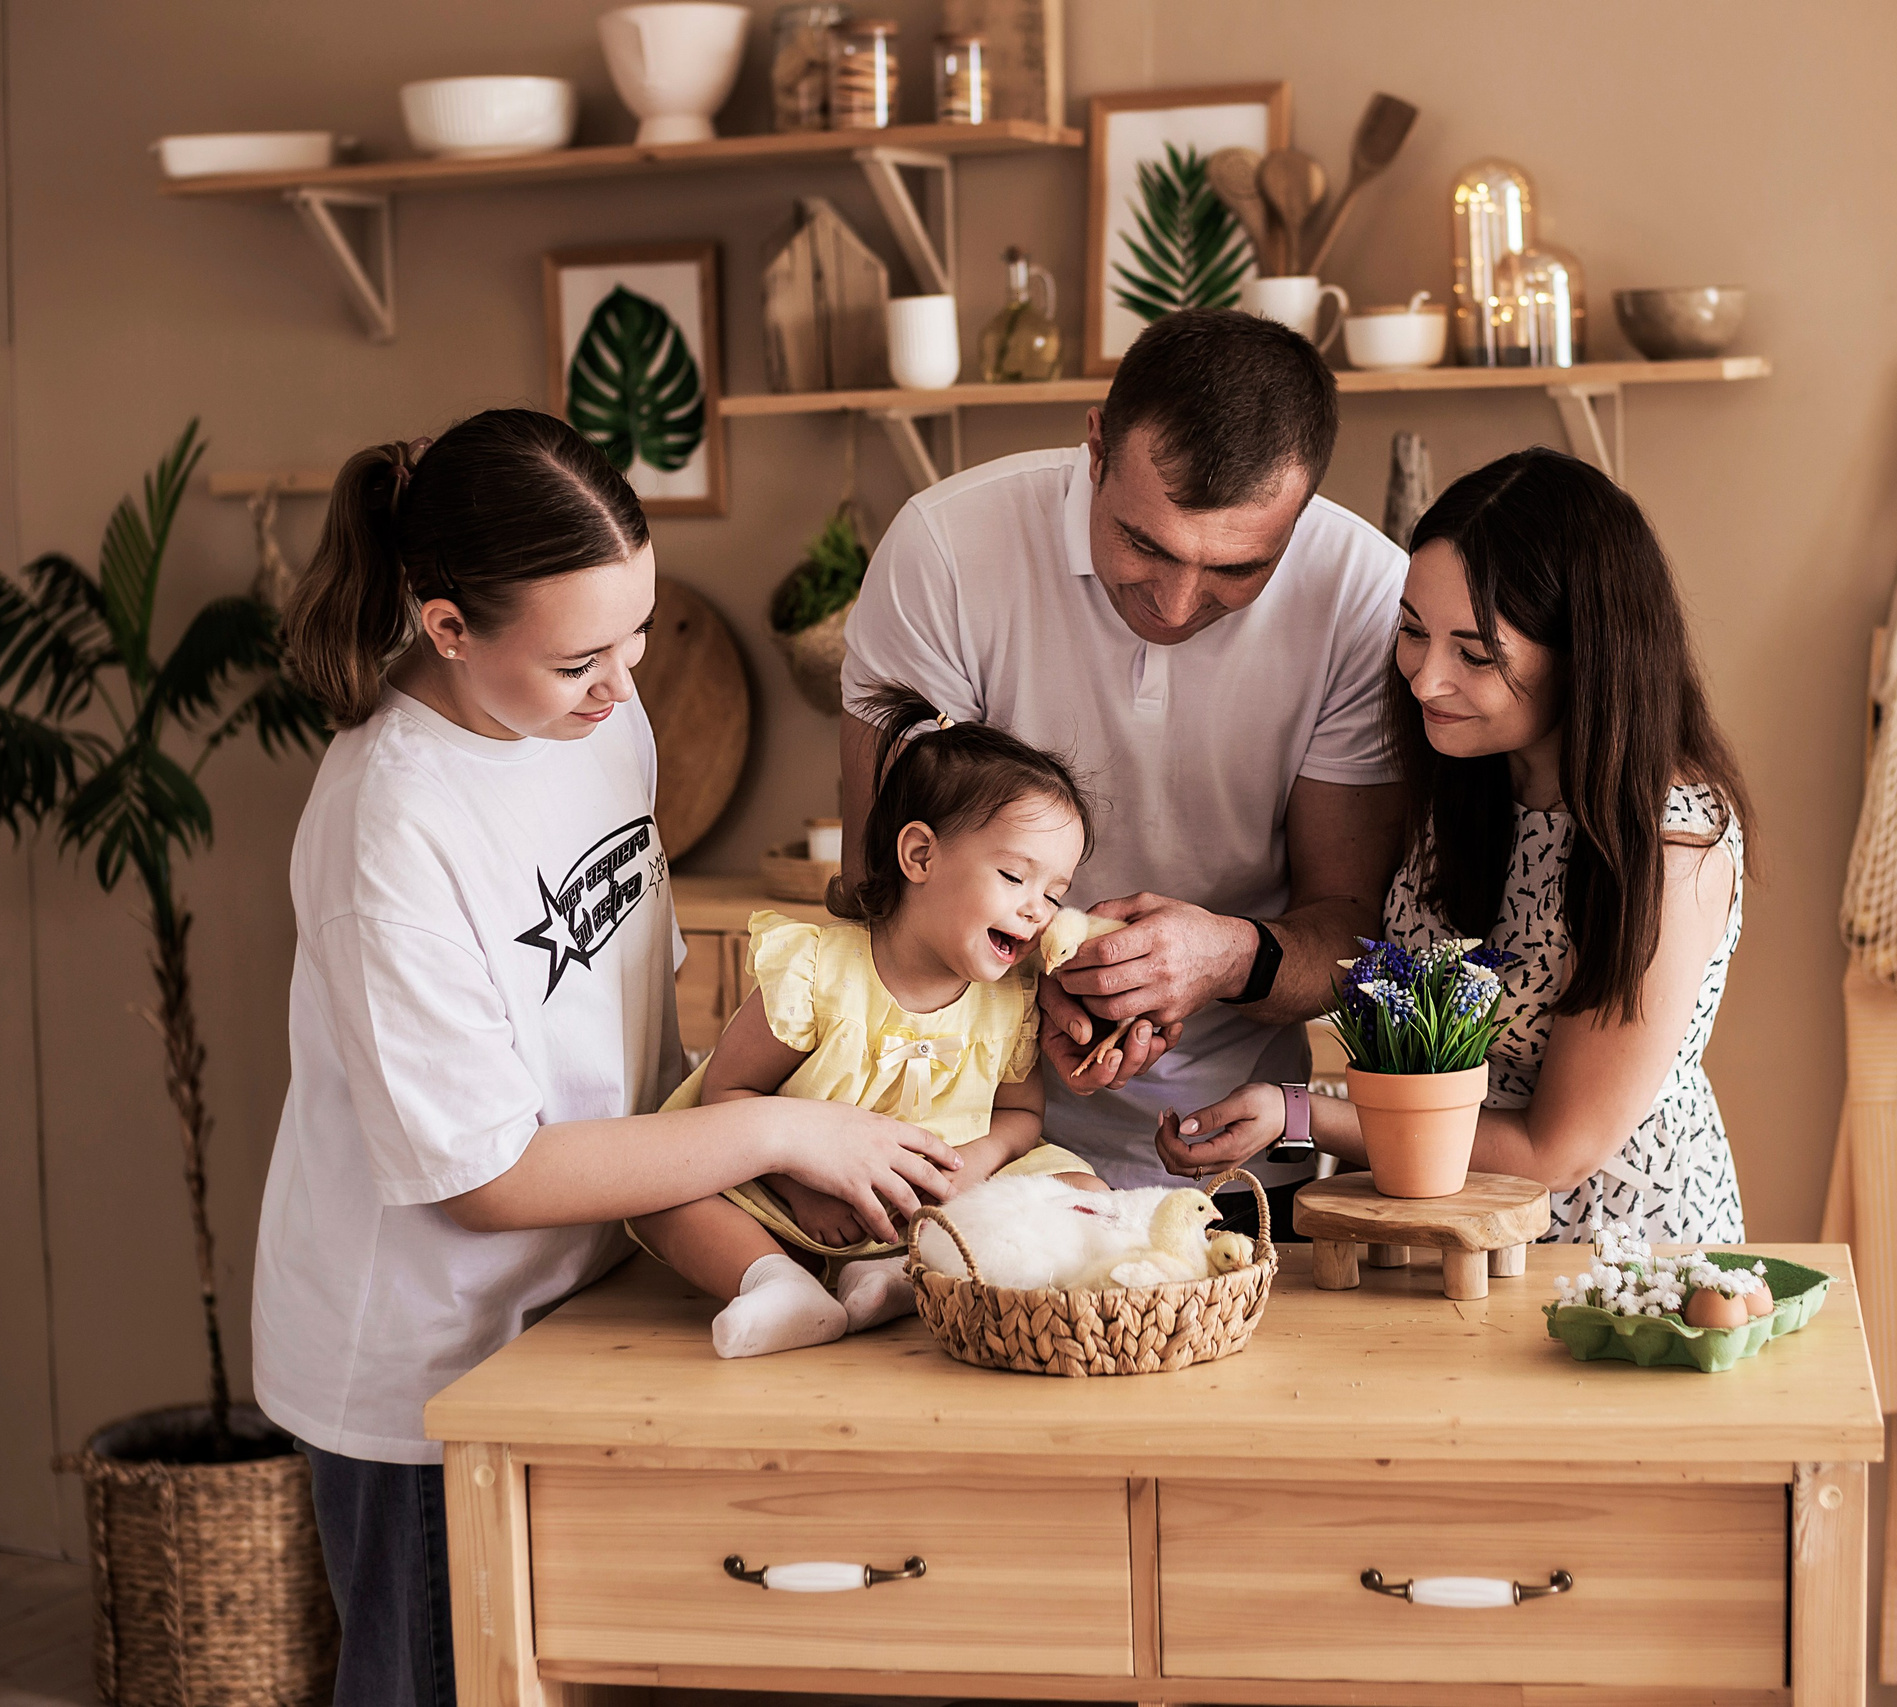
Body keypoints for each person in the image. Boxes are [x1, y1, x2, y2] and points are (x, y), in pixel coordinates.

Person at [252, 410, 964, 1707]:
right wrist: (778, 1136)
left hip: (584, 1297)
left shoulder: (600, 722)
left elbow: (619, 1025)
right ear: (448, 625)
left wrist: (772, 1113)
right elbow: (486, 1177)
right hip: (429, 1358)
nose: (626, 681)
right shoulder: (390, 825)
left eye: (637, 631)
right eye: (583, 653)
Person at [837, 309, 1409, 1214]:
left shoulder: (1365, 593)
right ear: (1095, 447)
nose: (1178, 604)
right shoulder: (947, 551)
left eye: (1238, 569)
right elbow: (880, 879)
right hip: (955, 1149)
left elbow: (1357, 935)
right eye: (1144, 544)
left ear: (1301, 521)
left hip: (1241, 1170)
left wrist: (1228, 957)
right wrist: (1029, 986)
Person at [1158, 447, 1754, 1244]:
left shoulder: (1669, 841)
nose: (1424, 678)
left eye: (1475, 654)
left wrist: (1297, 1114)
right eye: (1412, 631)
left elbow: (1555, 1150)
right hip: (1454, 1232)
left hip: (1611, 1258)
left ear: (1587, 655)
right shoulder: (1468, 780)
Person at [632, 683, 1108, 1358]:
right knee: (665, 1189)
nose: (1039, 909)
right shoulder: (818, 973)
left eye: (1055, 892)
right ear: (920, 856)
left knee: (1086, 1189)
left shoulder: (1012, 995)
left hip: (945, 1208)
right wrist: (798, 1187)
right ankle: (773, 1282)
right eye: (1014, 876)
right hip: (803, 1205)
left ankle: (901, 1272)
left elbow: (1022, 1113)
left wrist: (982, 1159)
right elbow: (726, 1096)